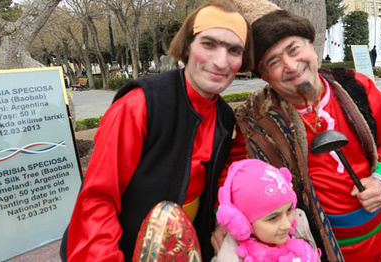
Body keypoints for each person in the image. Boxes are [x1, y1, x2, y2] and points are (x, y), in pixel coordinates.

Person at [213, 1, 381, 261]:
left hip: (380, 244)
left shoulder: (357, 87)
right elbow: (233, 176)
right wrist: (225, 218)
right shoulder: (257, 120)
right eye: (274, 61)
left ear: (312, 46)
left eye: (294, 49)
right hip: (314, 248)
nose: (291, 65)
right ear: (265, 76)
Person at [60, 1, 254, 261]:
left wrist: (223, 217)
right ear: (187, 47)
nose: (220, 61)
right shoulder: (139, 104)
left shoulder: (224, 116)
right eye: (208, 44)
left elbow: (218, 180)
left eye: (234, 50)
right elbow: (97, 199)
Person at [213, 159, 320, 261]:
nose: (287, 225)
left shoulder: (298, 234)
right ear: (243, 223)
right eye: (273, 218)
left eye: (288, 210)